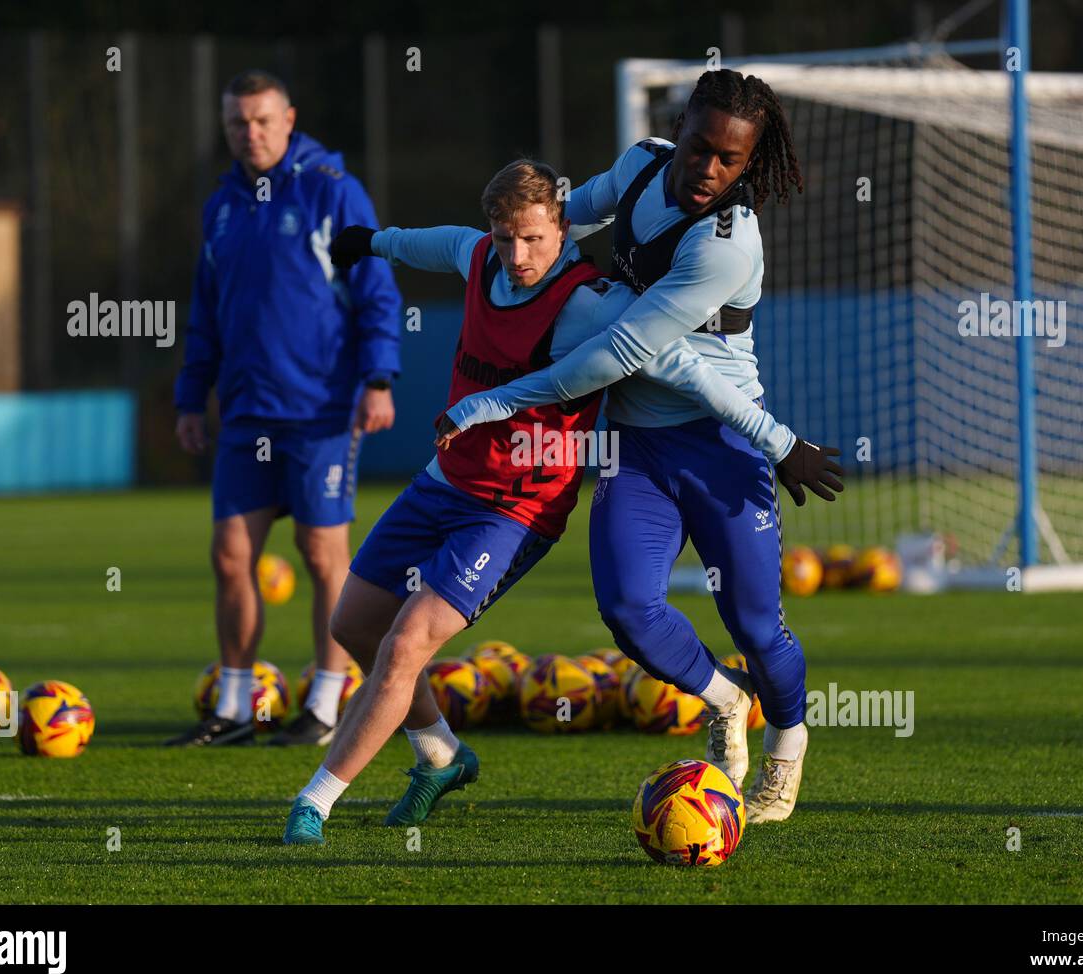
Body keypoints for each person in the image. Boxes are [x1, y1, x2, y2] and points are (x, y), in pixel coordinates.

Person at [282, 158, 800, 844]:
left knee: (406, 645)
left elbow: (684, 367)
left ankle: (315, 801)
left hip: (512, 510)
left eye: (533, 239)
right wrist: (373, 240)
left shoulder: (591, 302)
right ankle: (440, 755)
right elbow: (429, 243)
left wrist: (781, 440)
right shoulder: (480, 259)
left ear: (563, 227)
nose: (517, 255)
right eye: (504, 238)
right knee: (356, 626)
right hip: (443, 481)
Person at [438, 69, 843, 822]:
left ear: (749, 163)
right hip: (633, 443)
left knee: (756, 625)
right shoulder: (640, 166)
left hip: (722, 441)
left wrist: (495, 399)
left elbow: (617, 351)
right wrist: (520, 249)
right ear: (680, 127)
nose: (708, 170)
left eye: (729, 160)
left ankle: (787, 743)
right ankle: (726, 700)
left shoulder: (727, 243)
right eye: (699, 148)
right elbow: (566, 215)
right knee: (628, 607)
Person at [168, 70, 402, 748]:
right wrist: (191, 396)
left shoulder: (332, 189)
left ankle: (326, 708)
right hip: (245, 414)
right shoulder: (221, 205)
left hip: (321, 411)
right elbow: (205, 313)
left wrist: (379, 377)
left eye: (264, 120)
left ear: (289, 119)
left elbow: (378, 293)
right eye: (239, 122)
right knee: (230, 555)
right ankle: (235, 707)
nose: (252, 133)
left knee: (322, 553)